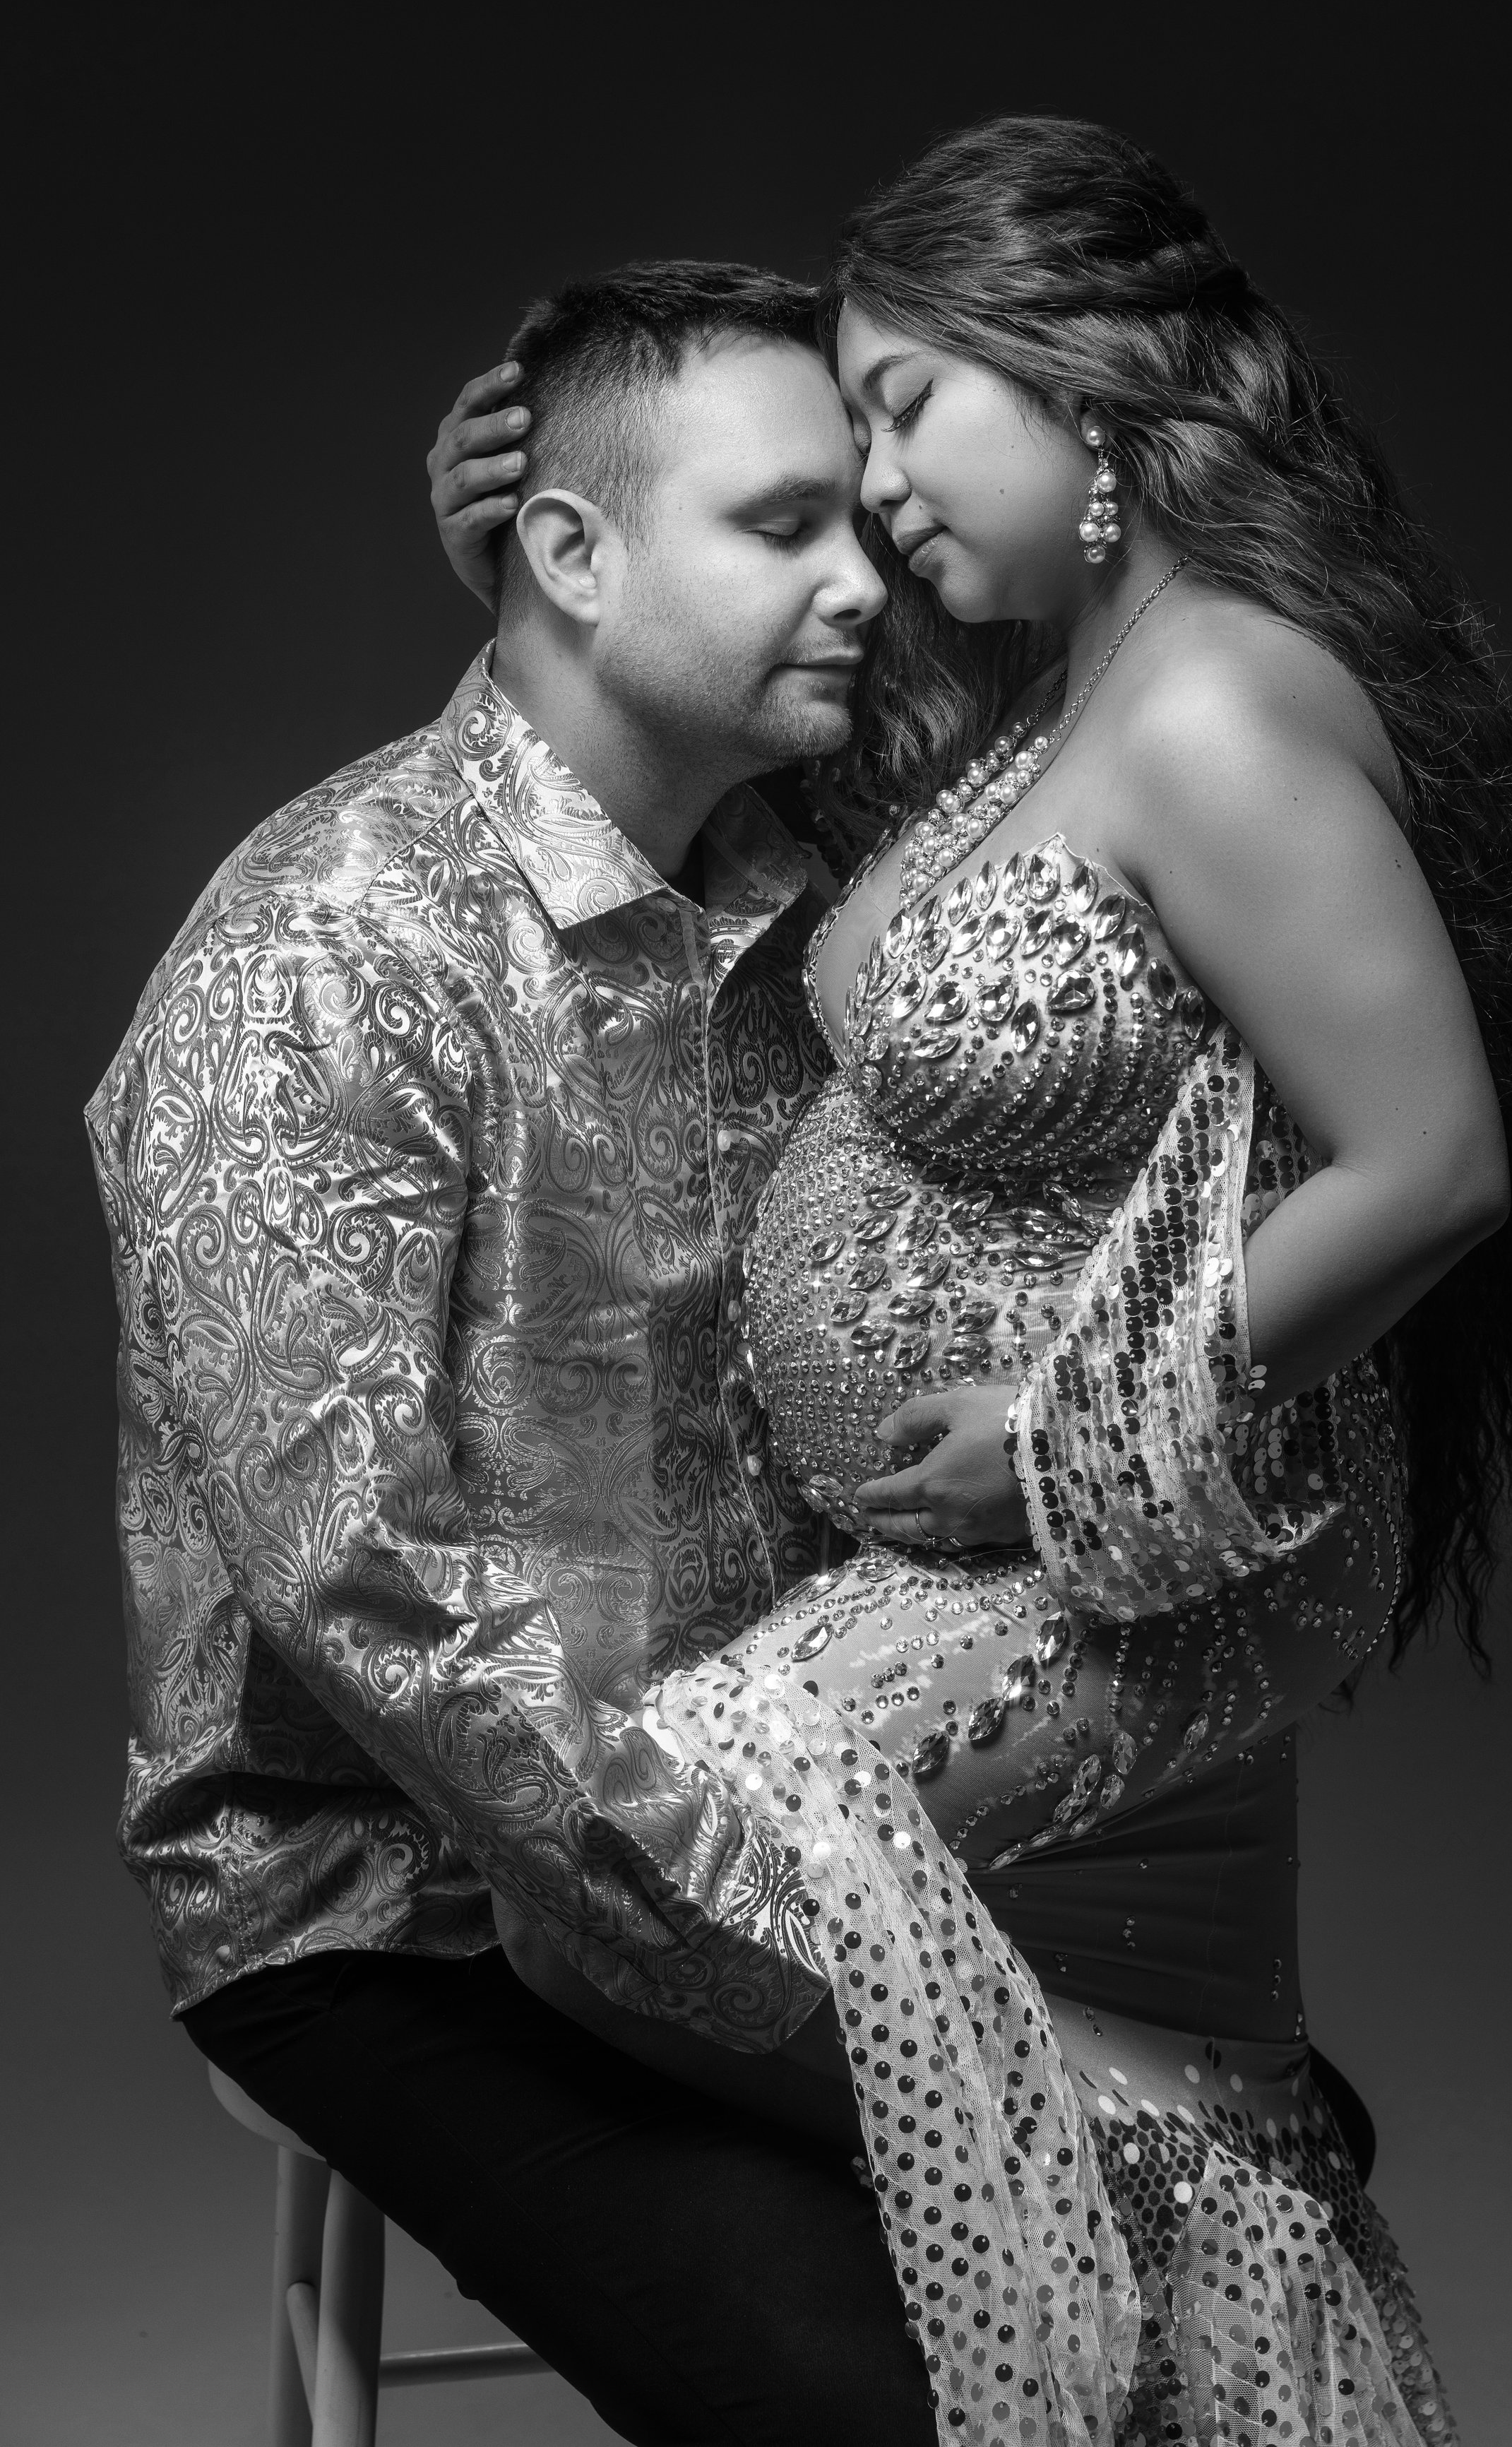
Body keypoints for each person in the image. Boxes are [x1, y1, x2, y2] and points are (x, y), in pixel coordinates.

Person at [426, 119, 1512, 2446]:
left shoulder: (1214, 699)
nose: (878, 486)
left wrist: (1052, 1428)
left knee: (678, 1830)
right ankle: (1174, 2284)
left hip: (1146, 1525)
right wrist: (530, 571)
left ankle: (1083, 2334)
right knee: (1009, 1996)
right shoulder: (1045, 701)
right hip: (1013, 1533)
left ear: (1087, 382)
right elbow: (685, 785)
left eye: (906, 408)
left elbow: (1429, 1164)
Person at [86, 262, 951, 2447]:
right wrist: (830, 1981)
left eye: (865, 520)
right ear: (563, 555)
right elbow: (374, 1599)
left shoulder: (819, 894)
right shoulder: (319, 956)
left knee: (1243, 2171)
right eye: (782, 529)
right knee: (885, 2391)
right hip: (400, 1897)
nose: (865, 583)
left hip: (798, 1811)